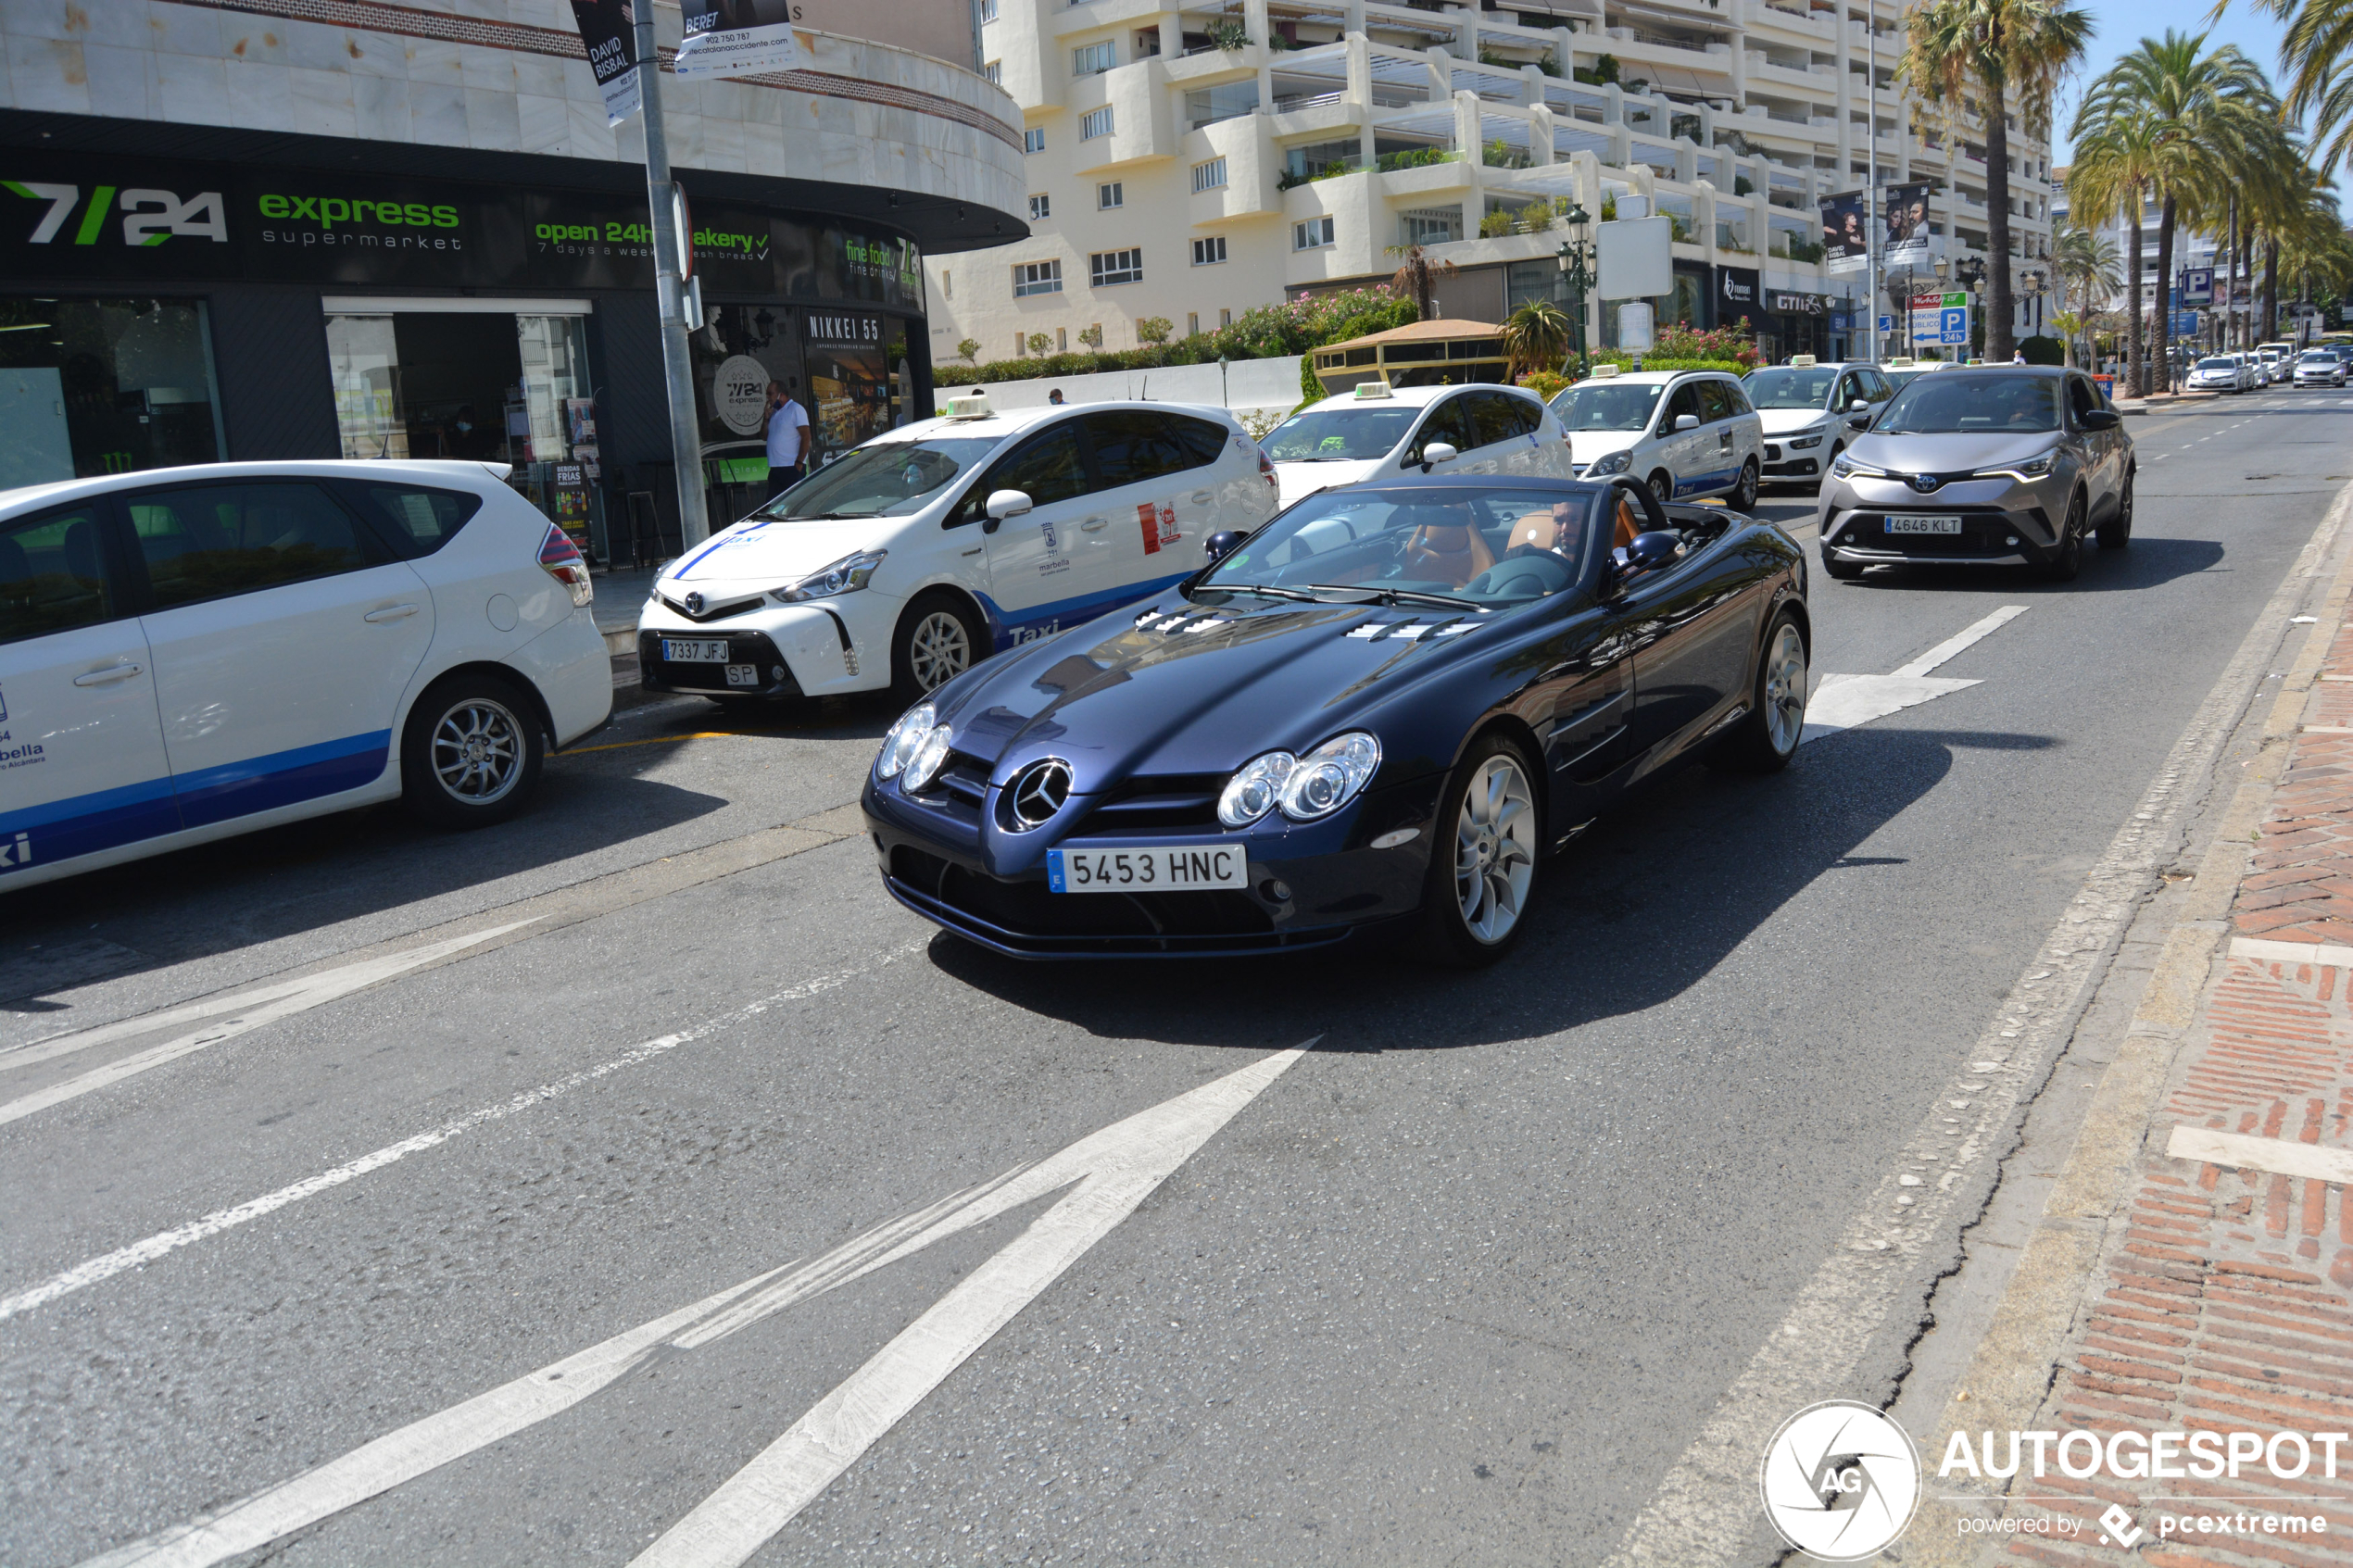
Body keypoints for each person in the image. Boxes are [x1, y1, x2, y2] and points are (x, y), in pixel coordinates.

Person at [763, 378, 811, 495]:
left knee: (793, 504)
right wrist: (766, 418)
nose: (768, 397)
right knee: (773, 506)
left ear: (781, 395)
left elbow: (806, 436)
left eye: (770, 393)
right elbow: (764, 436)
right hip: (776, 467)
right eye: (767, 394)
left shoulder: (795, 409)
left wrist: (799, 463)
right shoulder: (774, 412)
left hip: (790, 466)